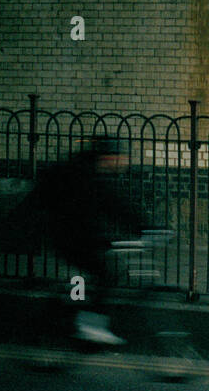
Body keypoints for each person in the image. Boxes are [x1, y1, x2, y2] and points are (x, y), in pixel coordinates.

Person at [27, 136, 144, 345]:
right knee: (107, 273)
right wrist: (142, 228)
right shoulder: (87, 175)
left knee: (90, 275)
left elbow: (114, 206)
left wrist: (135, 229)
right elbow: (112, 205)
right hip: (68, 236)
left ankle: (74, 309)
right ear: (110, 157)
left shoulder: (90, 171)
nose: (125, 163)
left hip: (75, 234)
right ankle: (90, 325)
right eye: (122, 158)